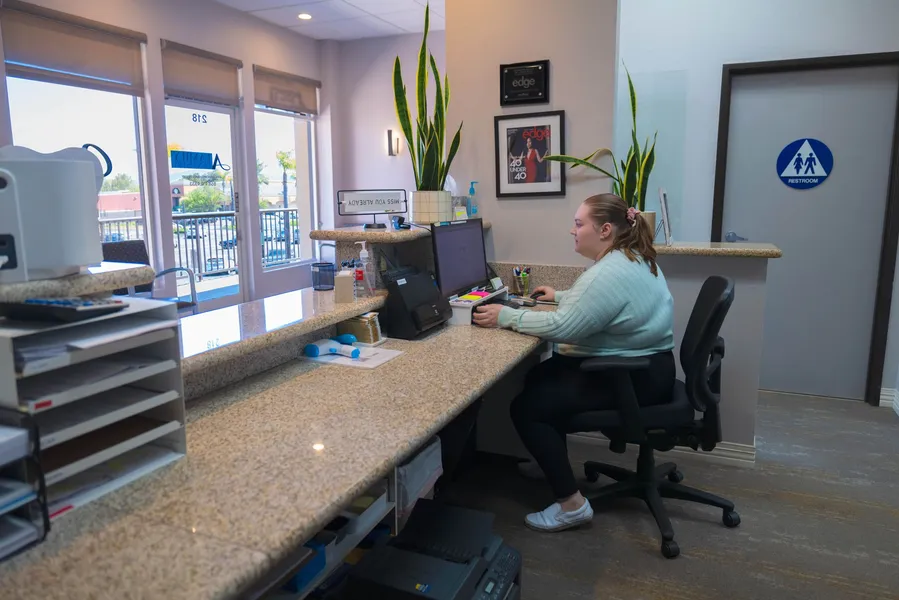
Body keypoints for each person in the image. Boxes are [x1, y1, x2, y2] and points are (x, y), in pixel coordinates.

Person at [472, 194, 675, 532]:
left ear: (606, 230)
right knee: (540, 375)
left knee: (528, 407)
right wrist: (561, 296)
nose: (573, 230)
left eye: (579, 224)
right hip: (649, 367)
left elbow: (562, 327)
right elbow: (605, 305)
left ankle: (571, 504)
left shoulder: (608, 273)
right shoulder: (632, 257)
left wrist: (507, 316)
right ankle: (550, 461)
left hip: (633, 377)